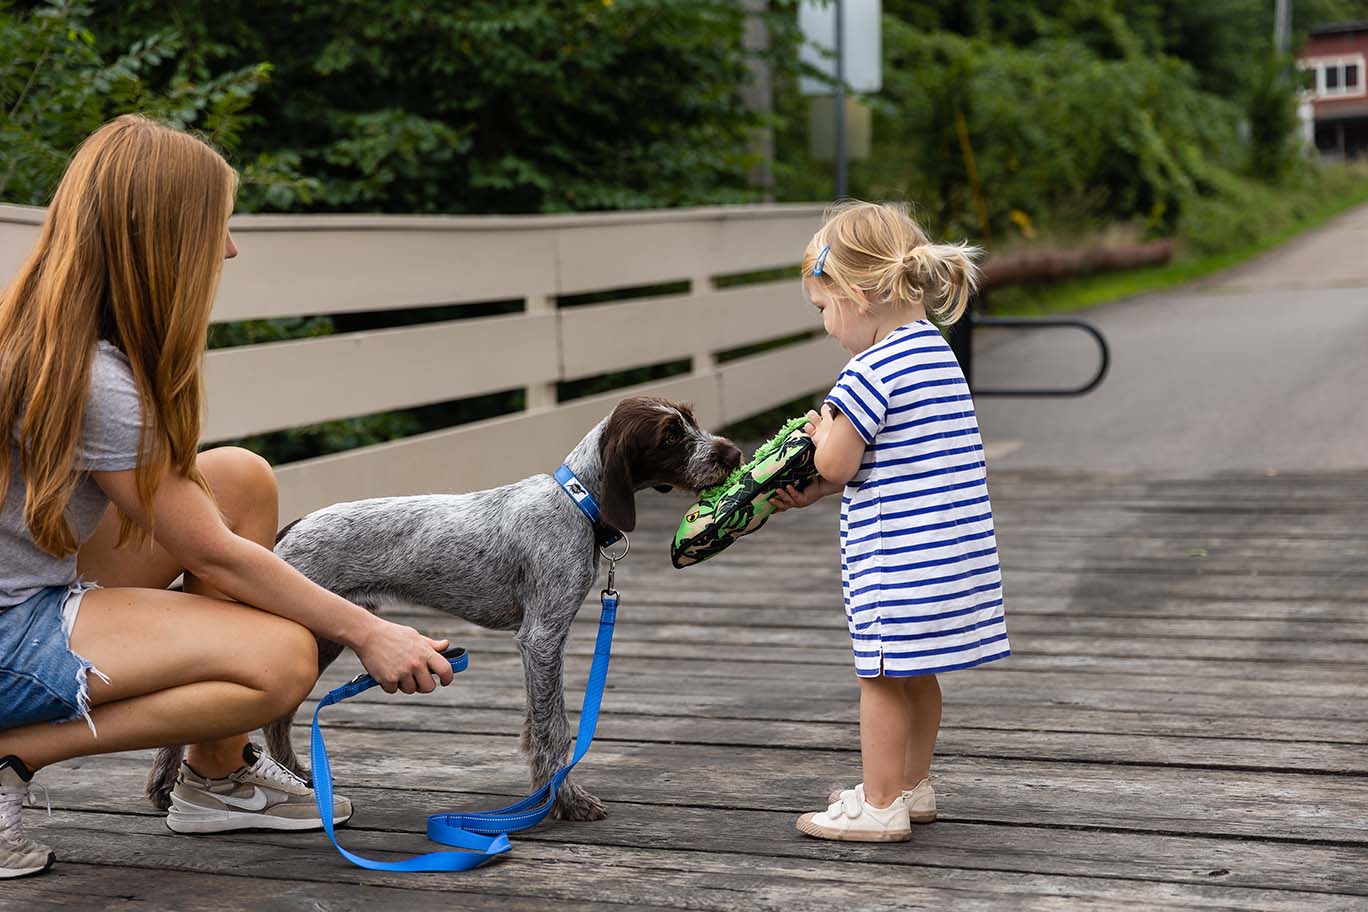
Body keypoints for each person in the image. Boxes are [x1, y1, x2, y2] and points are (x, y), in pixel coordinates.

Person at [0, 114, 455, 879]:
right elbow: (214, 556)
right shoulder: (92, 376)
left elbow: (201, 524)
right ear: (160, 236)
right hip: (10, 632)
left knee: (238, 478)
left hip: (19, 590)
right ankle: (15, 755)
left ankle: (214, 778)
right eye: (218, 226)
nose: (230, 249)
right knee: (278, 660)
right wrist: (373, 633)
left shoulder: (41, 330)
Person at [771, 200, 1010, 842]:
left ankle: (879, 804)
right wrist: (821, 488)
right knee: (918, 673)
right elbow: (900, 452)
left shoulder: (867, 370)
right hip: (950, 556)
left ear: (857, 294)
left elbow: (842, 461)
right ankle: (912, 784)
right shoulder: (933, 352)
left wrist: (821, 433)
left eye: (824, 310)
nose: (826, 327)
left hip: (896, 557)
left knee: (878, 677)